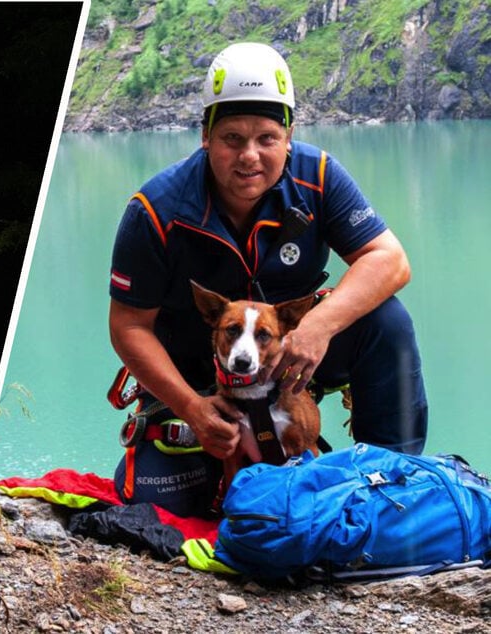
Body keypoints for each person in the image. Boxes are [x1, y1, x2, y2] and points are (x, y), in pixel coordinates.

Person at [108, 42, 428, 517]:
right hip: (195, 377)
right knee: (166, 508)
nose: (249, 156)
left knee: (386, 320)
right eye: (232, 138)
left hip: (292, 362)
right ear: (205, 137)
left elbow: (389, 261)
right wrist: (193, 409)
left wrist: (317, 329)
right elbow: (129, 326)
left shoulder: (318, 176)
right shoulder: (156, 210)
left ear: (289, 136)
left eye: (267, 138)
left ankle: (392, 480)